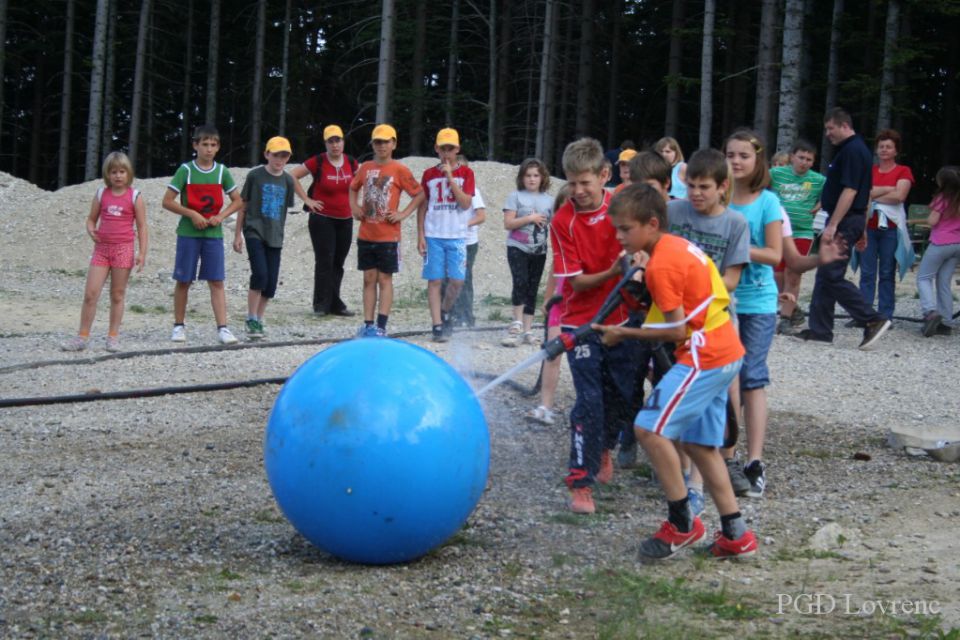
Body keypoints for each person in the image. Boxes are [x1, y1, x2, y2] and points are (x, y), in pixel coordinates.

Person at [593, 183, 758, 560]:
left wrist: (623, 332)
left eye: (625, 229)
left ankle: (682, 524)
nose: (619, 236)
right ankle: (736, 534)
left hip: (705, 353)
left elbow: (677, 330)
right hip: (724, 347)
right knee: (700, 445)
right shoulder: (673, 246)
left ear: (652, 223)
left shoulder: (661, 264)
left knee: (648, 428)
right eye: (616, 228)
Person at [550, 137, 639, 514]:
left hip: (623, 319)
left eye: (585, 182)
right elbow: (577, 282)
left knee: (623, 394)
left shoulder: (622, 202)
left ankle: (605, 447)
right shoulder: (562, 220)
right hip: (581, 322)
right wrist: (617, 270)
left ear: (604, 175)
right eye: (572, 183)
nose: (578, 191)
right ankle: (579, 483)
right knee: (588, 401)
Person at [663, 148, 751, 509]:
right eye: (691, 186)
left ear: (722, 187)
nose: (696, 194)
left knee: (709, 409)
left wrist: (693, 281)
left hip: (714, 327)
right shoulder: (673, 212)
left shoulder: (736, 224)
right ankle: (682, 474)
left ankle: (698, 487)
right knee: (674, 400)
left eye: (704, 187)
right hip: (671, 322)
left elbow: (732, 279)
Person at [798, 108, 891, 349]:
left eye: (830, 128)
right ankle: (820, 330)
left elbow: (850, 191)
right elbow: (866, 192)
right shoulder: (855, 150)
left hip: (845, 218)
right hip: (851, 219)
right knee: (825, 272)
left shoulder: (852, 151)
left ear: (844, 125)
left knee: (832, 274)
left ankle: (872, 319)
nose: (827, 134)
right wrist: (861, 230)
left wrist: (833, 224)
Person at [725, 130, 783, 499]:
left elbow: (776, 255)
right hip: (721, 300)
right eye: (730, 154)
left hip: (758, 302)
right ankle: (727, 455)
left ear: (757, 160)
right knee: (727, 375)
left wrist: (737, 245)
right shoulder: (718, 197)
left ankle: (755, 460)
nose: (735, 161)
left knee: (752, 377)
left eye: (743, 155)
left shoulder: (768, 202)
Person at [162, 124, 242, 345]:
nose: (208, 149)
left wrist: (222, 216)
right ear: (195, 145)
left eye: (213, 145)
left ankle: (223, 328)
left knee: (216, 280)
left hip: (213, 234)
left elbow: (238, 200)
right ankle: (178, 325)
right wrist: (191, 214)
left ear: (218, 147)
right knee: (184, 280)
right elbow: (167, 201)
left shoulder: (221, 171)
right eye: (204, 144)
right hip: (188, 233)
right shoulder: (185, 171)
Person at [232, 136, 319, 340]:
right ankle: (251, 317)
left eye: (284, 156)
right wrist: (238, 234)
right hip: (254, 231)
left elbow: (285, 207)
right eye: (275, 155)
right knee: (260, 275)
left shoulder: (287, 180)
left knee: (270, 284)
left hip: (275, 235)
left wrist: (307, 199)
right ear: (267, 154)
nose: (279, 159)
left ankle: (259, 319)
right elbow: (244, 205)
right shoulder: (255, 176)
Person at [61, 152, 148, 352]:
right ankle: (82, 337)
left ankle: (113, 337)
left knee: (117, 294)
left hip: (123, 249)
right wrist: (90, 229)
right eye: (113, 172)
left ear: (129, 173)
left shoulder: (135, 196)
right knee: (91, 293)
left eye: (122, 171)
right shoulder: (101, 194)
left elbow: (142, 226)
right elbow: (91, 218)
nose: (118, 176)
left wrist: (142, 253)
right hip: (101, 249)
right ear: (107, 174)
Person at [349, 124, 425, 337]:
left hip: (388, 235)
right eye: (377, 142)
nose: (381, 145)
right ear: (373, 144)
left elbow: (419, 194)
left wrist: (403, 213)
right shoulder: (365, 167)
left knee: (385, 279)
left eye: (386, 141)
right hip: (366, 233)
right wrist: (354, 207)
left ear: (394, 143)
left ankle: (382, 325)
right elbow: (353, 187)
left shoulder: (399, 169)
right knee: (368, 278)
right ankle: (368, 323)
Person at [290, 125, 359, 317]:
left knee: (338, 261)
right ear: (325, 143)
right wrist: (307, 200)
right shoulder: (318, 161)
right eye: (331, 141)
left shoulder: (352, 162)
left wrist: (356, 204)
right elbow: (293, 175)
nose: (335, 145)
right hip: (322, 218)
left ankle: (335, 302)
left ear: (344, 142)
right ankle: (321, 304)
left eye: (338, 140)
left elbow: (358, 184)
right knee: (324, 261)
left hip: (345, 218)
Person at [417, 128, 476, 342]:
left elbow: (466, 203)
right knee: (434, 280)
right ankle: (437, 325)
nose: (446, 153)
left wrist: (450, 177)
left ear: (457, 149)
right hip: (434, 233)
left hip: (457, 234)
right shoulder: (429, 175)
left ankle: (445, 309)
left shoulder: (467, 174)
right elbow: (423, 206)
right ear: (436, 149)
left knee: (457, 281)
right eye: (443, 148)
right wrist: (420, 234)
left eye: (450, 149)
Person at [851, 128, 915, 322]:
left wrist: (874, 193)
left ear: (896, 151)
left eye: (889, 147)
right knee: (867, 273)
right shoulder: (869, 171)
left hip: (891, 229)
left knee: (887, 272)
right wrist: (888, 189)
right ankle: (864, 315)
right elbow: (861, 194)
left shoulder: (903, 171)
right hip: (867, 228)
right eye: (881, 147)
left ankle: (885, 315)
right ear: (877, 150)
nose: (885, 150)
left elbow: (899, 196)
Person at [527, 184, 572, 426]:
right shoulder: (558, 232)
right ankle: (545, 405)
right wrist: (547, 297)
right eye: (562, 208)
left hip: (583, 303)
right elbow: (557, 266)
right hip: (560, 300)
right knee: (552, 352)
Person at [770, 140, 825, 332]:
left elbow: (834, 192)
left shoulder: (818, 180)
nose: (804, 162)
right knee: (776, 275)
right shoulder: (777, 173)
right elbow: (756, 183)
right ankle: (794, 309)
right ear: (792, 157)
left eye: (809, 159)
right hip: (777, 230)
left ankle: (785, 319)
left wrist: (822, 202)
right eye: (801, 157)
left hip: (802, 232)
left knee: (793, 275)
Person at [501, 158, 554, 347]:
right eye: (528, 175)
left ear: (542, 178)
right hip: (517, 246)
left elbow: (555, 225)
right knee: (520, 281)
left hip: (539, 248)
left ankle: (528, 330)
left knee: (533, 287)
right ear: (522, 178)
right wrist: (530, 218)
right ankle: (516, 322)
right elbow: (508, 223)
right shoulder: (515, 196)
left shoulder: (550, 200)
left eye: (536, 175)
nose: (532, 179)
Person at [917, 166, 960, 337]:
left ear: (943, 182)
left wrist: (929, 219)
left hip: (940, 243)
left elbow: (933, 220)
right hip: (957, 245)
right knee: (943, 282)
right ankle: (946, 322)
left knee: (924, 277)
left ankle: (930, 312)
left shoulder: (942, 198)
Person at [445, 155, 486, 328]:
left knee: (465, 279)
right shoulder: (445, 189)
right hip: (448, 240)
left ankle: (467, 316)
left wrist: (462, 225)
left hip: (467, 242)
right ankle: (449, 314)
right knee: (449, 279)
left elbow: (481, 216)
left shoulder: (473, 190)